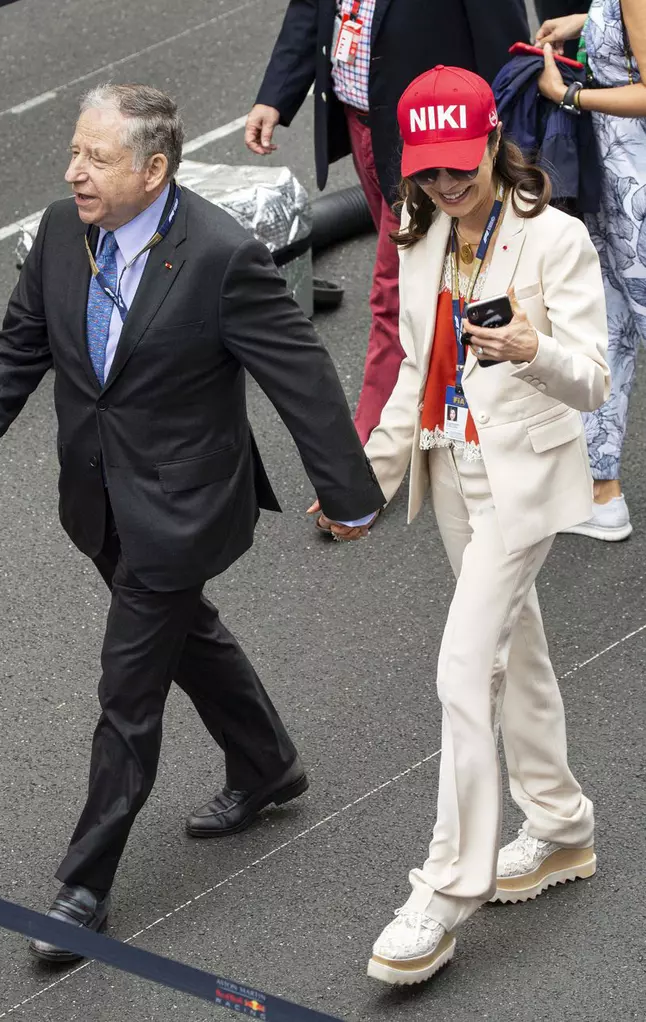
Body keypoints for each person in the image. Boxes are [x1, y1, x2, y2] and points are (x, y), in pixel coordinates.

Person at [0, 84, 383, 962]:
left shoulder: (220, 256)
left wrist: (350, 493)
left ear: (156, 168)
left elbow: (303, 379)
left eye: (97, 158)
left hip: (182, 505)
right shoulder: (63, 232)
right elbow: (21, 342)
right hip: (98, 496)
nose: (74, 172)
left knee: (127, 691)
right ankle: (268, 762)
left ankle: (83, 888)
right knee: (188, 636)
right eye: (74, 152)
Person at [360, 65, 609, 985]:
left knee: (464, 668)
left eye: (460, 166)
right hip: (452, 471)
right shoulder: (419, 234)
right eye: (428, 170)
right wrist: (367, 485)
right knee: (520, 652)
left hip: (524, 482)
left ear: (495, 138)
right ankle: (559, 824)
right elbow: (410, 372)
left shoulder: (557, 238)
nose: (446, 184)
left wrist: (531, 348)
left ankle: (446, 888)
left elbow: (595, 379)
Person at [246, 0, 531, 446]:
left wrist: (502, 161)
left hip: (435, 146)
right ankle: (455, 399)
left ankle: (372, 451)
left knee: (393, 294)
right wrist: (275, 95)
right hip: (363, 126)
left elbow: (504, 50)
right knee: (432, 276)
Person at [536, 1, 646, 540]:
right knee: (606, 328)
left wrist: (568, 95)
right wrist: (590, 22)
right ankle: (599, 490)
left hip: (636, 190)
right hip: (615, 185)